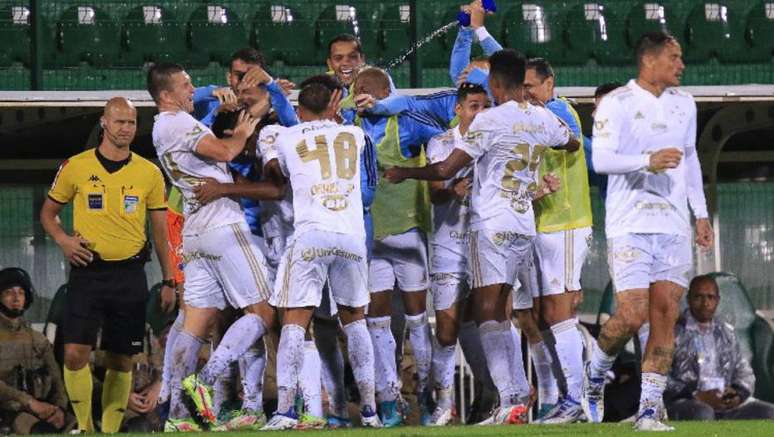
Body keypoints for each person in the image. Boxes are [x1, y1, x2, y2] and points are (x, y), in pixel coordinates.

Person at [385, 48, 579, 425]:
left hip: (490, 222)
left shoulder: (488, 120)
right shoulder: (541, 116)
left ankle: (510, 401)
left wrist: (405, 173)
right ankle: (518, 396)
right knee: (503, 309)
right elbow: (569, 141)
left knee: (487, 312)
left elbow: (445, 167)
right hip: (524, 222)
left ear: (494, 83)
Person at [581, 31, 714, 431]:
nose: (682, 65)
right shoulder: (617, 103)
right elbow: (601, 160)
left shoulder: (685, 104)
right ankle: (595, 370)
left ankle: (650, 411)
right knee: (633, 314)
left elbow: (690, 159)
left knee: (665, 316)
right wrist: (647, 161)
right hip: (629, 224)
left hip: (672, 226)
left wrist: (701, 214)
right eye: (674, 57)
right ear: (650, 61)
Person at [146, 63, 280, 431]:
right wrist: (240, 134)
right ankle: (204, 381)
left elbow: (212, 128)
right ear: (167, 95)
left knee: (195, 323)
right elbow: (224, 151)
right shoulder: (177, 122)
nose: (193, 90)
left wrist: (250, 107)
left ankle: (176, 416)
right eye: (186, 85)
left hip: (196, 230)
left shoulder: (161, 127)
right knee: (264, 312)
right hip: (223, 223)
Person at [39, 97, 174, 433]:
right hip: (88, 272)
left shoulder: (149, 173)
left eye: (131, 123)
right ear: (104, 122)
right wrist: (65, 240)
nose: (125, 128)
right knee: (74, 354)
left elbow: (160, 231)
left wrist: (170, 279)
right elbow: (48, 213)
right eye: (119, 122)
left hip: (130, 275)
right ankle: (84, 426)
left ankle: (110, 430)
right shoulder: (76, 166)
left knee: (121, 359)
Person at [260, 82, 381, 430]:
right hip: (350, 236)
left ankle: (284, 410)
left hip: (311, 234)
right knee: (355, 321)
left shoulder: (286, 136)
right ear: (333, 104)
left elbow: (276, 175)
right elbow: (368, 184)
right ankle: (370, 410)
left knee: (295, 321)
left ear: (300, 110)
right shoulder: (356, 135)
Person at [352, 66, 444, 427]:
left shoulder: (406, 123)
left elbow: (444, 138)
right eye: (360, 89)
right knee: (381, 321)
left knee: (415, 320)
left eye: (370, 90)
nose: (363, 94)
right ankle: (391, 398)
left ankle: (421, 394)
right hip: (370, 234)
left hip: (407, 229)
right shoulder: (350, 125)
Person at [522, 57, 592, 423]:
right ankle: (569, 397)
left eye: (532, 86)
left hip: (566, 223)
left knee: (559, 312)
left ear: (550, 83)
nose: (527, 93)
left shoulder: (560, 108)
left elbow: (573, 142)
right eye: (523, 87)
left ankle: (579, 399)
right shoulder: (532, 114)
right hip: (543, 223)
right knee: (545, 315)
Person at [423, 82, 488, 426]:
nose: (480, 113)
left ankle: (492, 392)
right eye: (474, 106)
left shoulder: (492, 140)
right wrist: (451, 190)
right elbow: (434, 193)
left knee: (489, 323)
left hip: (485, 247)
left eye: (484, 106)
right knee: (447, 331)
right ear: (459, 110)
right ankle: (444, 404)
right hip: (448, 248)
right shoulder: (441, 143)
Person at [665, 275, 774, 421]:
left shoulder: (726, 333)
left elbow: (744, 372)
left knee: (768, 413)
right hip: (688, 401)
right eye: (699, 297)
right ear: (688, 299)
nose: (705, 303)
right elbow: (659, 375)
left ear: (717, 301)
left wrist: (738, 394)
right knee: (703, 413)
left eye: (710, 297)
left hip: (725, 402)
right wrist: (696, 395)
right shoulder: (672, 332)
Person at [0, 268, 72, 434]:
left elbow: (56, 380)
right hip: (9, 412)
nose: (16, 298)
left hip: (44, 408)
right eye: (9, 292)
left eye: (21, 292)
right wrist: (29, 402)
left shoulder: (38, 339)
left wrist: (59, 409)